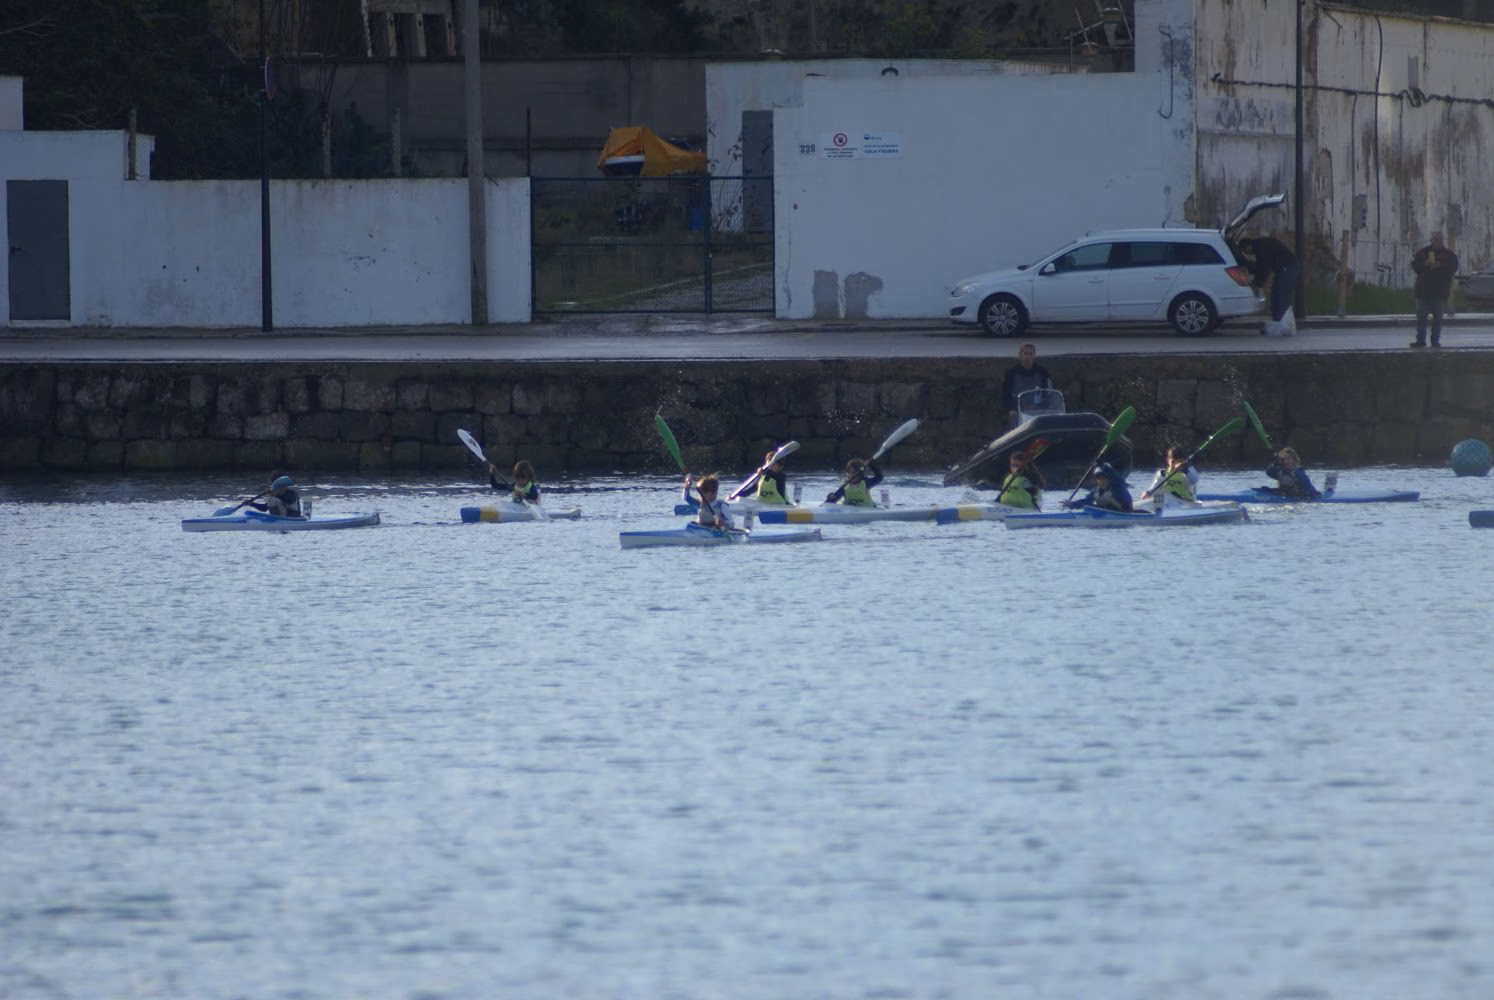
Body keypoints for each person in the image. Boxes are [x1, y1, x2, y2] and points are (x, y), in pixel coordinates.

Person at [1238, 236, 1299, 336]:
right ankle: (1279, 322)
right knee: (1276, 292)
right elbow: (1262, 267)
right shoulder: (1261, 245)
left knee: (1281, 294)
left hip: (1287, 267)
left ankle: (1282, 324)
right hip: (1286, 267)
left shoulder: (1261, 247)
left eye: (1246, 251)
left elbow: (1264, 268)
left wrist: (1256, 284)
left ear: (1248, 246)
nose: (1248, 254)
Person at [1410, 231, 1459, 348]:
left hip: (1439, 292)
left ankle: (1435, 340)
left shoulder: (1448, 255)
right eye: (1436, 239)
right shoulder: (1423, 253)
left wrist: (1439, 265)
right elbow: (1415, 266)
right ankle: (1420, 340)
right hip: (1423, 292)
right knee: (1421, 318)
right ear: (1431, 240)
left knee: (1437, 319)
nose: (1438, 242)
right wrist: (1425, 264)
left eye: (1440, 240)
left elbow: (1453, 266)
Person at [1001, 343, 1054, 427]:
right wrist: (1010, 410)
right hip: (1018, 413)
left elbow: (1049, 393)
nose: (1028, 357)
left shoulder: (1043, 373)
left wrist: (1046, 409)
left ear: (1034, 355)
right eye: (1025, 353)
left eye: (1030, 354)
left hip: (1038, 412)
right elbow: (1006, 395)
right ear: (1020, 355)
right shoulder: (1011, 374)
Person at [1063, 462, 1133, 512]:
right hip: (1106, 512)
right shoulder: (1095, 491)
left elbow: (1117, 477)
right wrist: (1072, 504)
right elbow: (1086, 501)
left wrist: (1101, 463)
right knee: (1089, 506)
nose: (1101, 481)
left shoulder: (1118, 487)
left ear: (1109, 479)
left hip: (1124, 513)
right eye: (1098, 479)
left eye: (1103, 478)